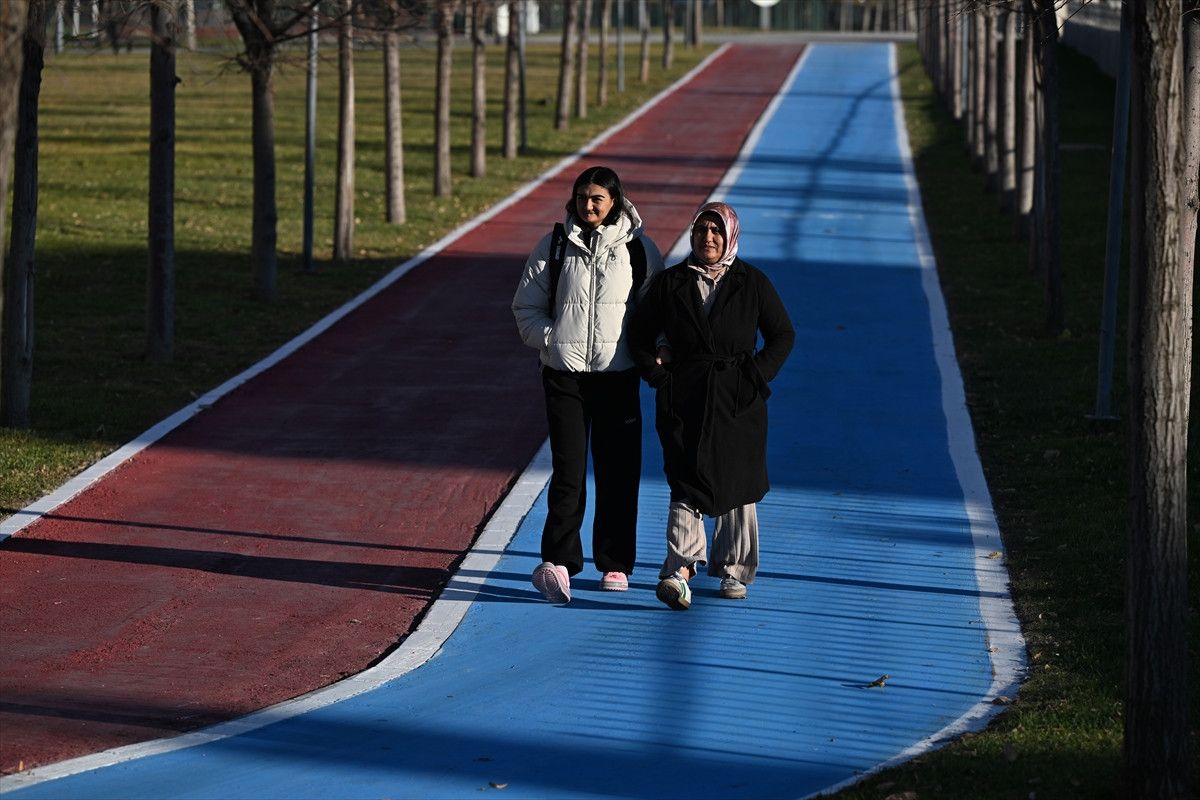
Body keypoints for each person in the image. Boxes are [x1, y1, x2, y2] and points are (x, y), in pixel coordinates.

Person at [629, 201, 794, 610]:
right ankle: (680, 569)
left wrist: (755, 376)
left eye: (716, 231)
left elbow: (782, 334)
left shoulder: (752, 282)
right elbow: (639, 335)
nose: (708, 238)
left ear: (731, 234)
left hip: (739, 397)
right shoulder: (670, 284)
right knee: (685, 476)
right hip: (684, 395)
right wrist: (658, 376)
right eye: (701, 230)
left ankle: (734, 568)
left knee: (737, 480)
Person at [512, 166, 665, 604]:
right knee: (568, 470)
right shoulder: (555, 245)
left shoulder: (638, 249)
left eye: (597, 198)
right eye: (582, 198)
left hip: (618, 377)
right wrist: (553, 341)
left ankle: (615, 563)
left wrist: (649, 352)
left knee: (618, 472)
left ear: (615, 200)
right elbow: (526, 306)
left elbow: (656, 311)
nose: (589, 206)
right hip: (565, 377)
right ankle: (559, 561)